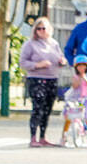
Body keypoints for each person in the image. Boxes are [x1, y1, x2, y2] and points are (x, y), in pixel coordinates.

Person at [19, 17, 67, 147]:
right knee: (38, 108)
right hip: (37, 79)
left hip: (52, 78)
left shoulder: (54, 44)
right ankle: (33, 137)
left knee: (47, 108)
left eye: (43, 28)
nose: (41, 31)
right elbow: (23, 62)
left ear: (49, 30)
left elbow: (60, 57)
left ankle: (43, 136)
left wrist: (62, 61)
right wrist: (37, 65)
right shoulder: (30, 44)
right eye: (38, 29)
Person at [61, 55, 87, 146]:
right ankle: (64, 137)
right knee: (70, 116)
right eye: (79, 66)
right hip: (75, 100)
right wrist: (79, 78)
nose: (81, 68)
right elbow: (74, 86)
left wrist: (84, 77)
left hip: (84, 100)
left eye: (83, 65)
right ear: (76, 67)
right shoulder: (75, 76)